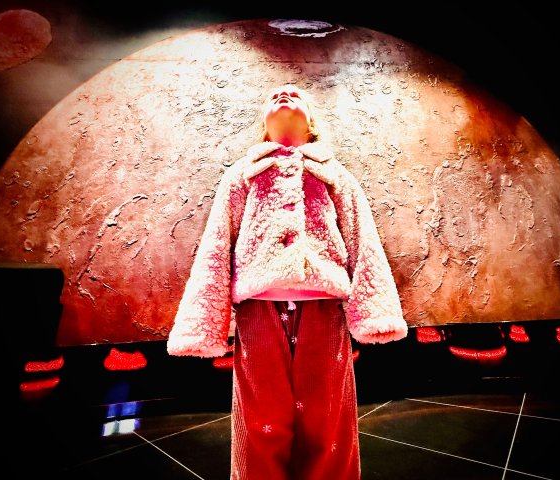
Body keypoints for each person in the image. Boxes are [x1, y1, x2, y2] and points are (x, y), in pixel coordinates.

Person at [167, 84, 408, 479]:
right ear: (263, 125)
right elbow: (216, 245)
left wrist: (374, 313)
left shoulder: (334, 174)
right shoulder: (243, 175)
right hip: (258, 311)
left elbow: (362, 238)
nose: (284, 94)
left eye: (296, 95)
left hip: (324, 310)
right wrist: (205, 324)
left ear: (311, 122)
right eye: (274, 96)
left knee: (329, 422)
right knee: (258, 419)